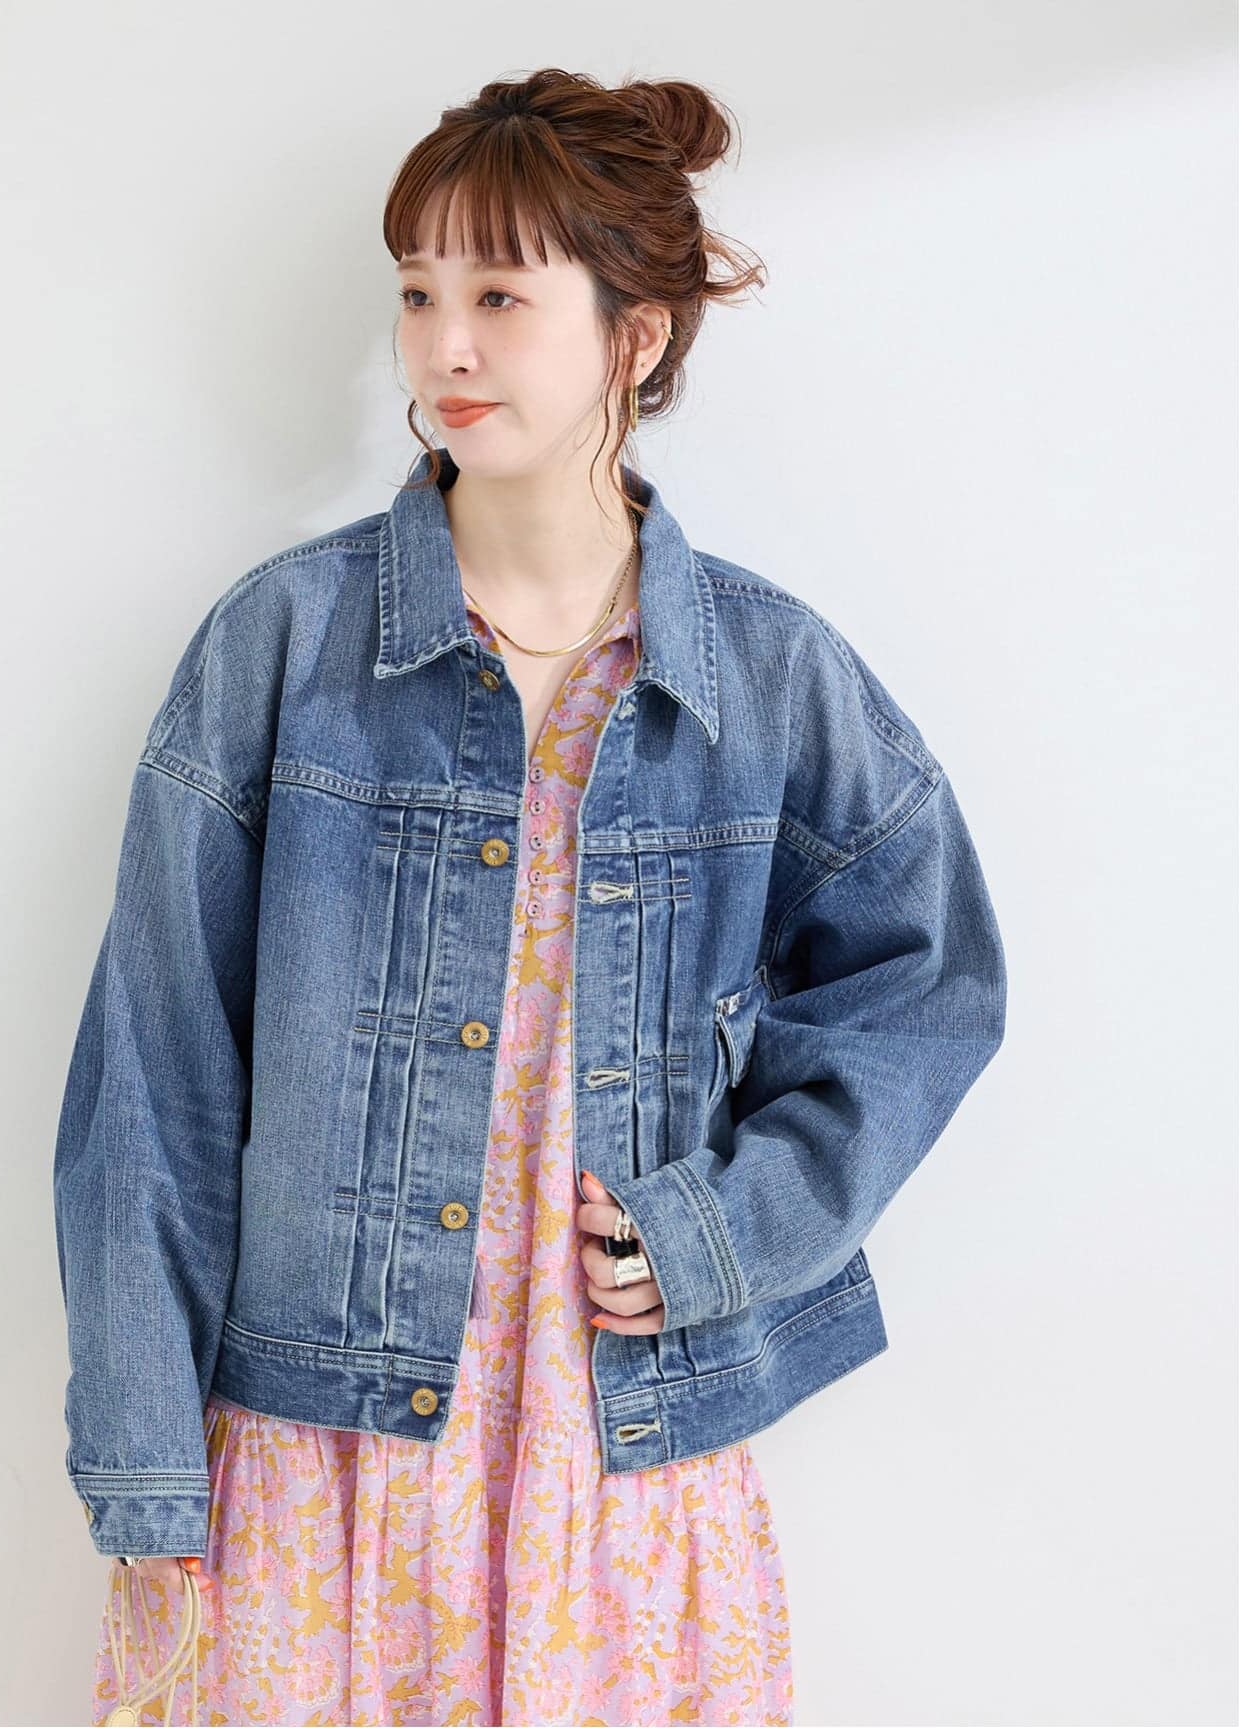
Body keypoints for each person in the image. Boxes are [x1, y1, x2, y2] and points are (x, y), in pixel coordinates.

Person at [54, 68, 1007, 1727]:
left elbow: (929, 987)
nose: (444, 347)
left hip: (619, 1459)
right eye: (418, 292)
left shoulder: (768, 678)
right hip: (325, 1464)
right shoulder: (284, 649)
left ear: (636, 336)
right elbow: (154, 1078)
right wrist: (145, 1465)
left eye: (499, 296)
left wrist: (730, 1230)